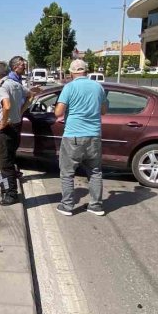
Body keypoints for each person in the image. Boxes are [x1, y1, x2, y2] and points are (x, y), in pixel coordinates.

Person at [55, 59, 107, 217]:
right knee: (95, 172)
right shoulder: (98, 87)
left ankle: (67, 206)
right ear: (87, 71)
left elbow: (58, 112)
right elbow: (103, 110)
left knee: (67, 172)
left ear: (71, 73)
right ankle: (96, 205)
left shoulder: (69, 87)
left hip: (73, 135)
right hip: (94, 135)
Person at [0, 61, 32, 205]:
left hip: (7, 130)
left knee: (5, 163)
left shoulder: (3, 86)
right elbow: (30, 95)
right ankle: (5, 186)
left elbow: (7, 105)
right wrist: (20, 112)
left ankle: (11, 194)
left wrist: (3, 122)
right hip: (15, 126)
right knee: (8, 159)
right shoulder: (15, 84)